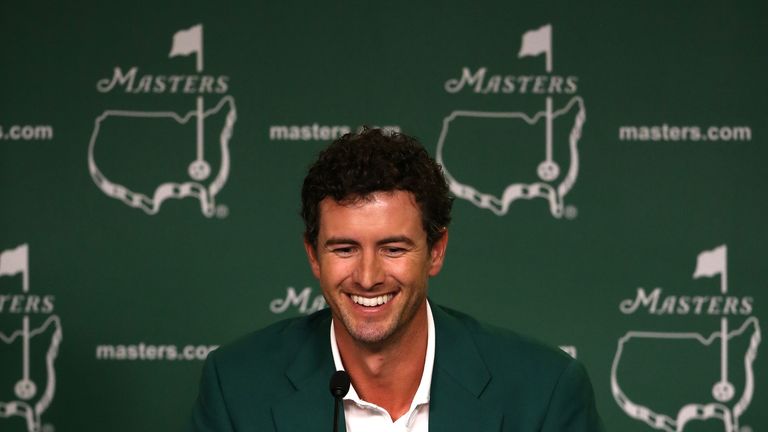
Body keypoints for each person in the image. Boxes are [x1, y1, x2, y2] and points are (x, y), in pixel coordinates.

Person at [187, 127, 604, 431]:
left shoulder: (544, 391)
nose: (368, 277)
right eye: (344, 249)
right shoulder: (237, 388)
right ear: (313, 255)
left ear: (436, 251)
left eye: (393, 248)